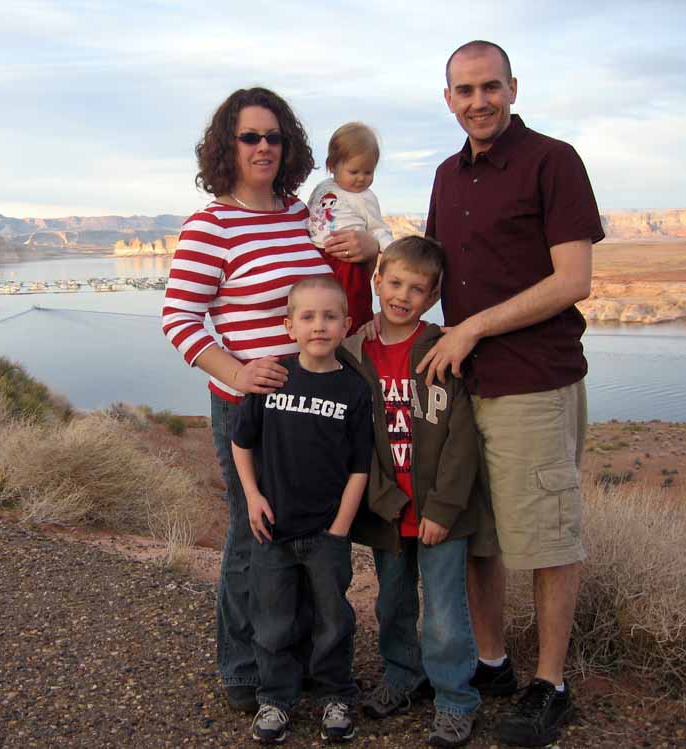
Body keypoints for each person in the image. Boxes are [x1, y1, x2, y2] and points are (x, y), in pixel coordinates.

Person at [161, 87, 380, 714]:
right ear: (226, 146)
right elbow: (179, 318)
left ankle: (298, 662)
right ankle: (243, 666)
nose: (264, 147)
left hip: (316, 405)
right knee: (252, 532)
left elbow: (341, 278)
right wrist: (236, 371)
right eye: (250, 136)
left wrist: (371, 248)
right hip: (250, 407)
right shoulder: (211, 226)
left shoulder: (301, 215)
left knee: (306, 531)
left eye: (274, 137)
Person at [419, 40, 604, 747]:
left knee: (547, 537)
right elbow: (434, 272)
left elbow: (572, 279)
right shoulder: (446, 175)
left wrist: (472, 329)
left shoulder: (551, 161)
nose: (479, 102)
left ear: (513, 88)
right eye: (464, 91)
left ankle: (551, 685)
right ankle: (492, 663)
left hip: (532, 380)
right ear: (448, 99)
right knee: (477, 534)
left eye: (490, 87)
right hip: (465, 385)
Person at [339, 236, 497, 748]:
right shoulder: (354, 353)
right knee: (393, 604)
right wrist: (384, 500)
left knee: (446, 613)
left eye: (417, 289)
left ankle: (455, 699)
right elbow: (354, 439)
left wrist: (443, 507)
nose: (402, 296)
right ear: (377, 279)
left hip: (439, 513)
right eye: (395, 283)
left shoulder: (440, 349)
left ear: (432, 297)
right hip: (387, 511)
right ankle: (403, 676)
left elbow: (461, 438)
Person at [231, 276, 372, 744]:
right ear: (289, 325)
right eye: (307, 317)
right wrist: (252, 496)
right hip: (273, 530)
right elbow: (241, 442)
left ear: (346, 325)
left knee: (333, 621)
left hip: (327, 533)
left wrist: (340, 529)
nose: (319, 326)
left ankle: (336, 695)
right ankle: (275, 699)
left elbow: (360, 467)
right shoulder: (273, 378)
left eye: (330, 317)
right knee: (272, 622)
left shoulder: (353, 389)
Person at [307, 122, 395, 334]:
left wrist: (392, 250)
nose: (361, 178)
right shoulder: (322, 188)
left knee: (352, 301)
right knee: (318, 303)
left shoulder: (365, 197)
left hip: (347, 261)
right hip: (318, 254)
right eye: (354, 171)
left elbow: (377, 229)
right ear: (332, 166)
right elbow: (311, 214)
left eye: (368, 172)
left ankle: (356, 334)